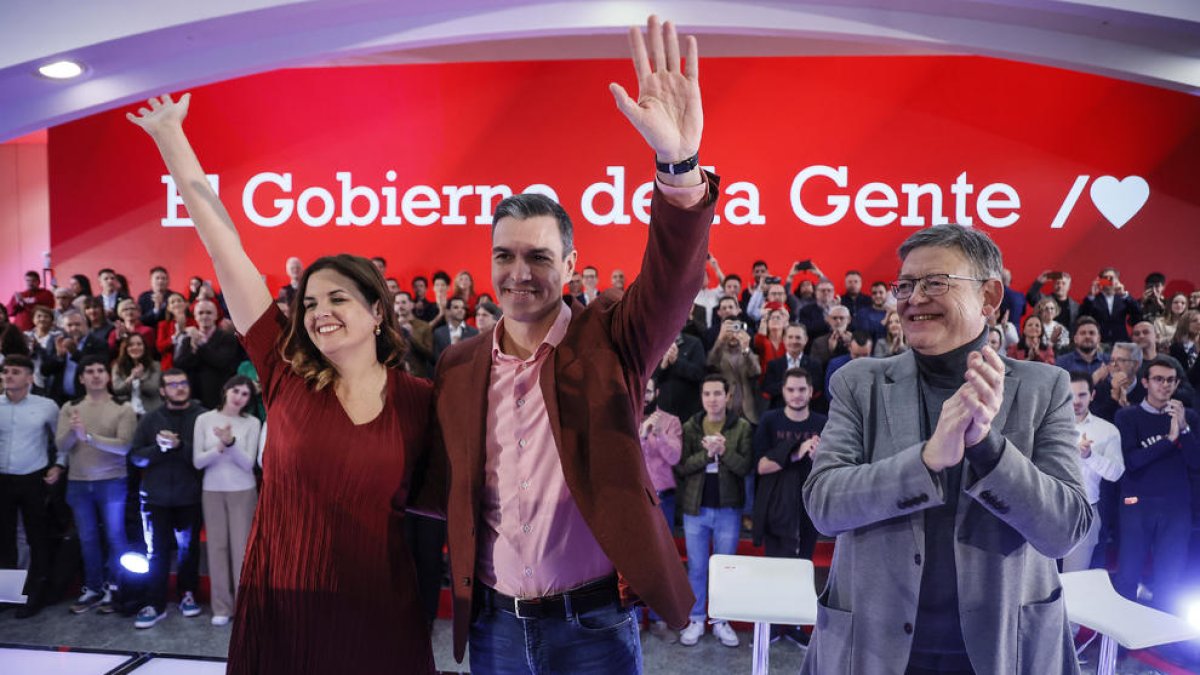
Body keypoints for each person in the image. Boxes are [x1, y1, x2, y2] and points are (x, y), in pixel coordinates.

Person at [414, 16, 711, 672]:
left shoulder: (610, 337)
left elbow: (670, 280)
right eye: (505, 255)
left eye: (539, 256)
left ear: (571, 265)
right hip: (494, 624)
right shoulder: (459, 363)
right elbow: (440, 481)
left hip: (594, 624)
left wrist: (679, 167)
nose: (520, 272)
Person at [130, 93, 436, 672]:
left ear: (378, 312)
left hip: (379, 612)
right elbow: (225, 245)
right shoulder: (283, 371)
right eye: (310, 301)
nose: (319, 310)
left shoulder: (421, 402)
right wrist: (171, 136)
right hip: (283, 603)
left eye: (338, 297)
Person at [801, 225, 1090, 674]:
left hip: (1003, 649)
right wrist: (926, 461)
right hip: (874, 648)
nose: (914, 297)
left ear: (990, 297)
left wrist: (987, 447)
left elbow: (1065, 528)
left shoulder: (1044, 388)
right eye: (906, 284)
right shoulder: (859, 383)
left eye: (935, 282)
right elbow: (825, 506)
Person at [1113, 356, 1200, 614]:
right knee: (1127, 576)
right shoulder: (1127, 416)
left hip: (1176, 509)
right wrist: (1170, 439)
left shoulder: (1190, 417)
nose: (1165, 385)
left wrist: (1183, 430)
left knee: (1169, 581)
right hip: (1137, 506)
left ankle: (1162, 643)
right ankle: (1118, 639)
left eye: (1171, 380)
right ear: (1145, 382)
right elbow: (1133, 461)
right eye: (1159, 379)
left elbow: (1195, 462)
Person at [676, 375, 753, 648]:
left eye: (718, 393)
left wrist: (724, 452)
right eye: (707, 394)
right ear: (702, 397)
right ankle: (696, 618)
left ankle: (721, 620)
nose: (713, 399)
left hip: (728, 510)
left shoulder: (741, 426)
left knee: (725, 569)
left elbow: (745, 467)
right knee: (696, 568)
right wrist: (707, 456)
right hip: (695, 509)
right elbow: (682, 467)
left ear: (727, 396)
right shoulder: (691, 426)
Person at [56, 355, 137, 615]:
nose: (95, 375)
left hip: (112, 481)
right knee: (88, 538)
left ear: (108, 375)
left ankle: (117, 588)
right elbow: (61, 446)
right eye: (89, 371)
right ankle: (93, 588)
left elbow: (124, 446)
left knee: (115, 537)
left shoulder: (123, 407)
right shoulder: (70, 407)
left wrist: (88, 437)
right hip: (79, 482)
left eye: (101, 369)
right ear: (81, 378)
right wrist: (73, 432)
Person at [751, 367, 824, 645]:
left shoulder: (823, 421)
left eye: (801, 389)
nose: (796, 395)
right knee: (774, 567)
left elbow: (833, 465)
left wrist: (817, 456)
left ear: (810, 391)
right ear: (783, 391)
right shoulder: (770, 420)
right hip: (775, 503)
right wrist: (796, 452)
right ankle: (770, 625)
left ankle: (793, 625)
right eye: (791, 389)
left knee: (803, 566)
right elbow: (760, 466)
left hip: (809, 503)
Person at [128, 369, 205, 628]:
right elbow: (136, 456)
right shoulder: (150, 419)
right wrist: (159, 448)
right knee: (156, 552)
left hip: (189, 495)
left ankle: (187, 594)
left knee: (188, 551)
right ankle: (155, 603)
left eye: (183, 382)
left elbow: (205, 458)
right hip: (154, 498)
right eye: (172, 384)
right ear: (162, 391)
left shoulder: (202, 417)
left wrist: (180, 446)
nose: (179, 388)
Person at [193, 375, 260, 626]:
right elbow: (198, 461)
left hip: (242, 490)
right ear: (225, 390)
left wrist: (230, 443)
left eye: (245, 394)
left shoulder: (252, 423)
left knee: (242, 550)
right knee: (216, 548)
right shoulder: (204, 419)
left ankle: (245, 605)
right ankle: (221, 606)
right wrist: (219, 447)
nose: (239, 397)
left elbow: (248, 463)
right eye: (236, 391)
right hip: (212, 489)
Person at [0, 355, 62, 617]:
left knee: (36, 537)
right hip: (2, 478)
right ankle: (8, 595)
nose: (9, 376)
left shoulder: (46, 406)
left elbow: (61, 439)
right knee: (4, 540)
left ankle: (35, 594)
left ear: (29, 377)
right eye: (6, 372)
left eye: (16, 372)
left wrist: (59, 465)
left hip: (32, 477)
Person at [1061, 372, 1124, 573]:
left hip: (1085, 509)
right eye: (1070, 395)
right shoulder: (1048, 426)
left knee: (1075, 578)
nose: (1076, 401)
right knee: (1039, 579)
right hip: (1047, 505)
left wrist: (1089, 456)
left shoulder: (1107, 430)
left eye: (1082, 395)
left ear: (1092, 395)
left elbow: (1116, 473)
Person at [639, 377, 683, 637]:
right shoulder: (624, 414)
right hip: (632, 498)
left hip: (662, 497)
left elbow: (674, 457)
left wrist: (657, 435)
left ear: (657, 392)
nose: (645, 395)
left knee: (662, 560)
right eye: (641, 390)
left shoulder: (670, 421)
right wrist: (642, 436)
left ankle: (659, 618)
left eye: (649, 391)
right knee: (631, 560)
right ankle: (631, 616)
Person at [112, 333, 163, 416]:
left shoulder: (155, 366)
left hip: (149, 413)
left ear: (144, 347)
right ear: (126, 348)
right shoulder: (118, 367)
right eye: (131, 345)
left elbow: (153, 389)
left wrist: (141, 378)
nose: (135, 347)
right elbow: (117, 389)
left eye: (139, 344)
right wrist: (131, 378)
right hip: (127, 414)